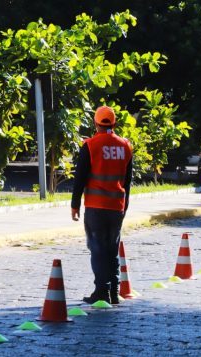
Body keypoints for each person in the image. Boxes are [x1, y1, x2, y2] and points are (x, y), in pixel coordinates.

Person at [71, 105, 133, 304]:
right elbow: (128, 181)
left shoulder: (90, 145)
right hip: (117, 206)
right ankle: (114, 291)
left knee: (97, 248)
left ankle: (101, 291)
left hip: (96, 207)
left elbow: (80, 178)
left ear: (95, 123)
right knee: (112, 249)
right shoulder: (125, 146)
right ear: (114, 123)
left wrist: (75, 205)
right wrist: (125, 205)